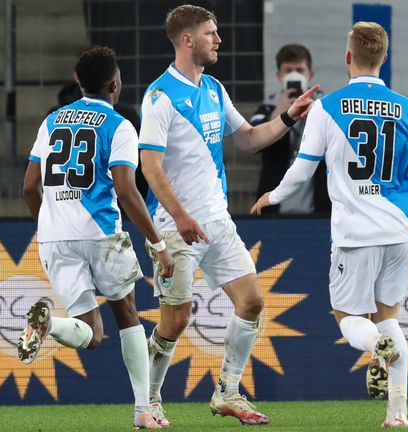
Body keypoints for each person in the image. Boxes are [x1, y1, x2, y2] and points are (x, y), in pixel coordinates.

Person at [250, 22, 408, 428]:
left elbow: (302, 171)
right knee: (388, 315)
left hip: (356, 235)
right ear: (384, 59)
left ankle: (377, 345)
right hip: (401, 232)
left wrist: (273, 197)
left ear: (348, 58)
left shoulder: (325, 108)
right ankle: (398, 415)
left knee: (347, 317)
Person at [138, 5, 318, 427]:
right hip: (176, 227)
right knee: (176, 320)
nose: (218, 40)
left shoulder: (215, 88)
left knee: (252, 301)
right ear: (187, 40)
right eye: (210, 33)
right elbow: (150, 166)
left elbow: (251, 138)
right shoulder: (160, 96)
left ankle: (227, 392)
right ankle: (147, 402)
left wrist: (289, 116)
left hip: (217, 222)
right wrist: (179, 216)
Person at [19, 46, 174, 429]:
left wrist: (50, 224)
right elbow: (125, 190)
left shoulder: (51, 121)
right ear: (115, 84)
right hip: (100, 233)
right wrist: (156, 242)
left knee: (91, 335)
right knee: (127, 317)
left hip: (54, 238)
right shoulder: (120, 125)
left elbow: (28, 187)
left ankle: (49, 325)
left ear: (77, 81)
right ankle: (142, 411)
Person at [251, 44, 330, 215]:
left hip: (320, 207)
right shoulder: (267, 108)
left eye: (299, 70)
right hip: (274, 209)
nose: (294, 75)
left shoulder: (326, 107)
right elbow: (253, 141)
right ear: (279, 75)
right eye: (288, 71)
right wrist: (279, 113)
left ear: (310, 74)